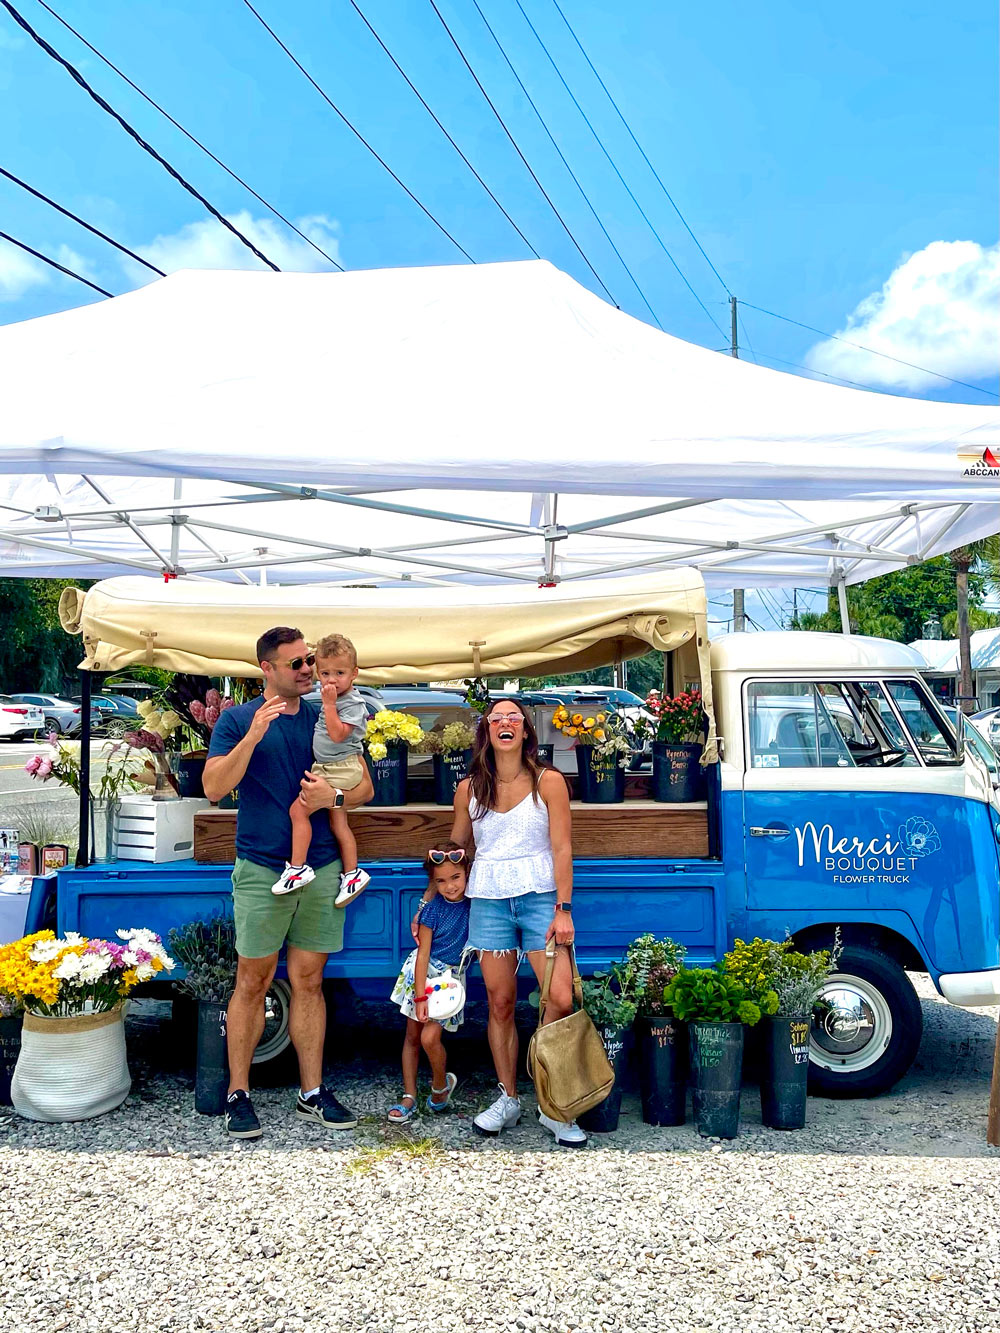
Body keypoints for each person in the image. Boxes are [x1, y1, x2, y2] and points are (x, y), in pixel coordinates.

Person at [203, 625, 373, 1141]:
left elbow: (363, 787)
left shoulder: (329, 715)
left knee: (308, 982)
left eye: (310, 662)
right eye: (296, 663)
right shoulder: (236, 721)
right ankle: (238, 1093)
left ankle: (311, 1092)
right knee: (252, 983)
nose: (307, 671)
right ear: (267, 669)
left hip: (320, 869)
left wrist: (334, 802)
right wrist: (254, 735)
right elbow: (213, 787)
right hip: (261, 870)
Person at [445, 700, 584, 1147]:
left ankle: (553, 1103)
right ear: (487, 730)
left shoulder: (549, 782)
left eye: (513, 718)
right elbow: (457, 846)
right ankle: (508, 1097)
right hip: (488, 900)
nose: (505, 723)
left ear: (526, 730)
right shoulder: (469, 788)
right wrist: (433, 895)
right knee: (500, 1003)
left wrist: (563, 909)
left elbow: (562, 848)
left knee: (558, 997)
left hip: (541, 897)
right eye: (496, 718)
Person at [272, 632, 371, 907]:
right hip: (329, 766)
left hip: (339, 768)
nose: (331, 679)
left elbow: (339, 735)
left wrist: (328, 706)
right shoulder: (335, 699)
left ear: (354, 674)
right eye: (325, 673)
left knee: (298, 810)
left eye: (339, 672)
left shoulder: (352, 703)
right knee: (338, 823)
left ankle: (298, 867)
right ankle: (352, 873)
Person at [386, 841, 471, 1123]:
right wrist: (420, 995)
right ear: (433, 883)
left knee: (430, 1036)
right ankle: (409, 1095)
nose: (450, 886)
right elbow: (423, 954)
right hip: (422, 975)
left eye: (456, 877)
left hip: (449, 979)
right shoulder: (432, 910)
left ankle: (439, 1085)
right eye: (441, 881)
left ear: (467, 872)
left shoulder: (476, 904)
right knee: (412, 1035)